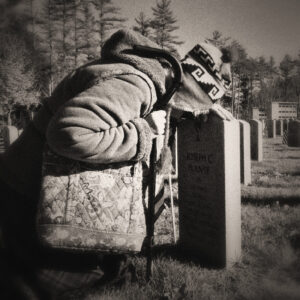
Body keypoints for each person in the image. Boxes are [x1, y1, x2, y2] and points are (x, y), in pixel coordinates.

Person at [0, 29, 233, 299]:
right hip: (27, 195)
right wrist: (143, 131)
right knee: (43, 284)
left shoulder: (153, 77)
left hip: (31, 189)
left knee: (104, 267)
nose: (185, 116)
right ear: (181, 91)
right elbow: (70, 132)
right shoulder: (137, 83)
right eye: (190, 109)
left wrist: (204, 108)